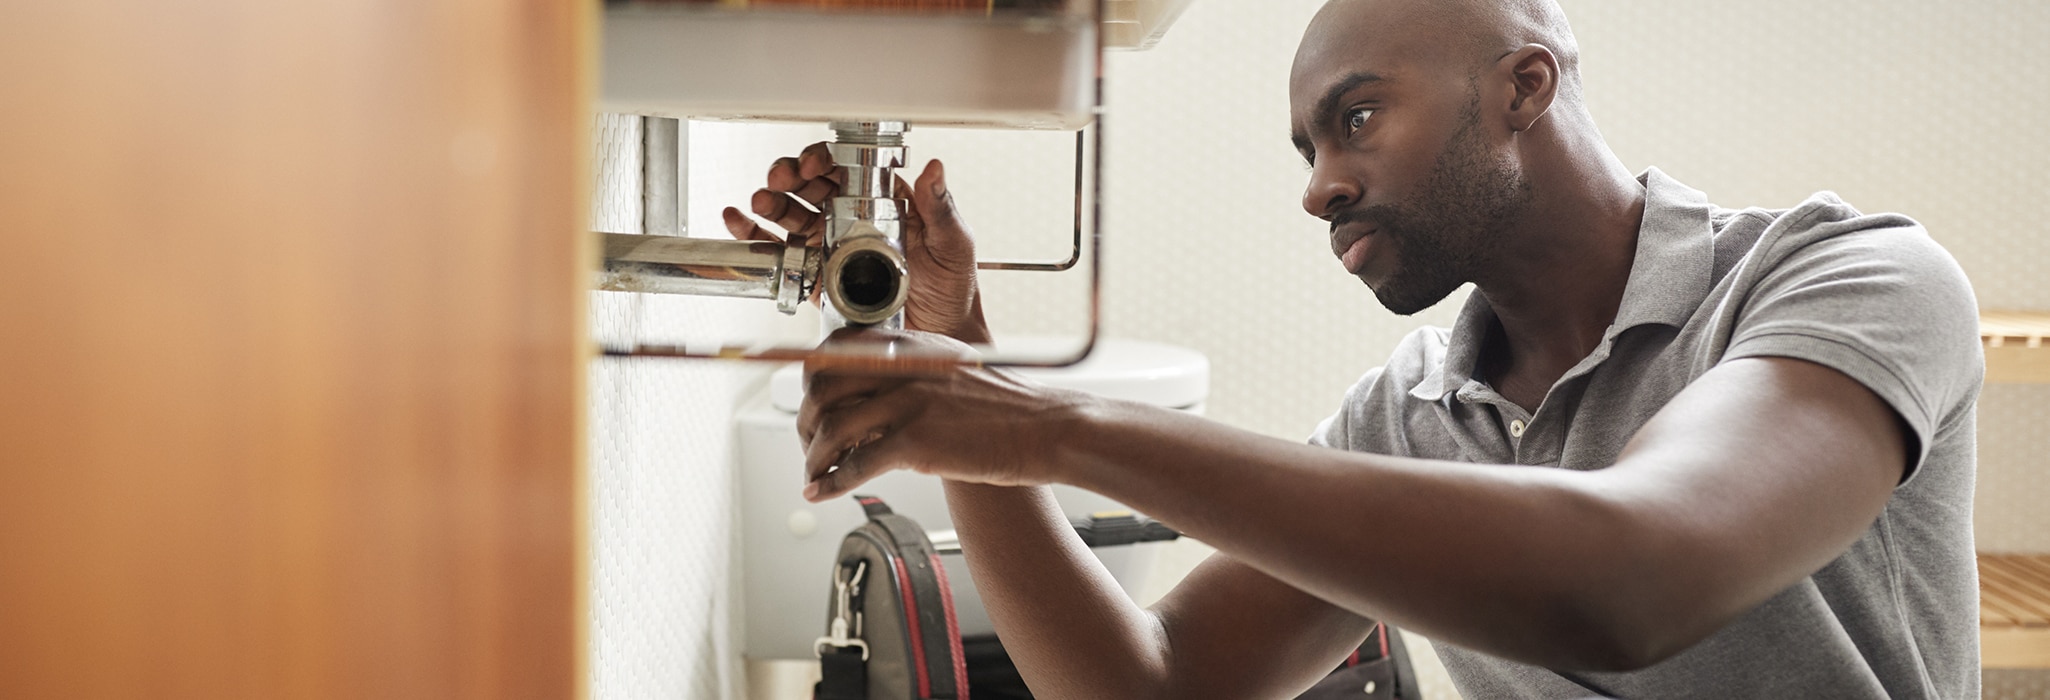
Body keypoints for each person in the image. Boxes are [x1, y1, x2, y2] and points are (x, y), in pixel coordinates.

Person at [724, 0, 1984, 696]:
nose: (1321, 189)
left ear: (1524, 88)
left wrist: (1046, 425)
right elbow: (1149, 690)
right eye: (1307, 152)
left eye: (1356, 119)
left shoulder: (1844, 277)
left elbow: (1631, 580)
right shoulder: (1412, 413)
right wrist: (968, 368)